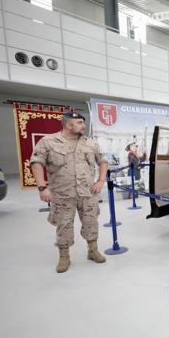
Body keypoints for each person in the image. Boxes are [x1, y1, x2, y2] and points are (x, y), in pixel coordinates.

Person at [30, 111, 109, 273]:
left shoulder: (90, 143)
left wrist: (101, 181)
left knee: (91, 222)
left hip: (87, 192)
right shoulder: (49, 142)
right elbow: (36, 162)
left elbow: (103, 161)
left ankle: (92, 250)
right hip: (62, 194)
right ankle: (64, 257)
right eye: (80, 122)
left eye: (83, 122)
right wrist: (42, 187)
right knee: (63, 225)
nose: (84, 126)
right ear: (68, 124)